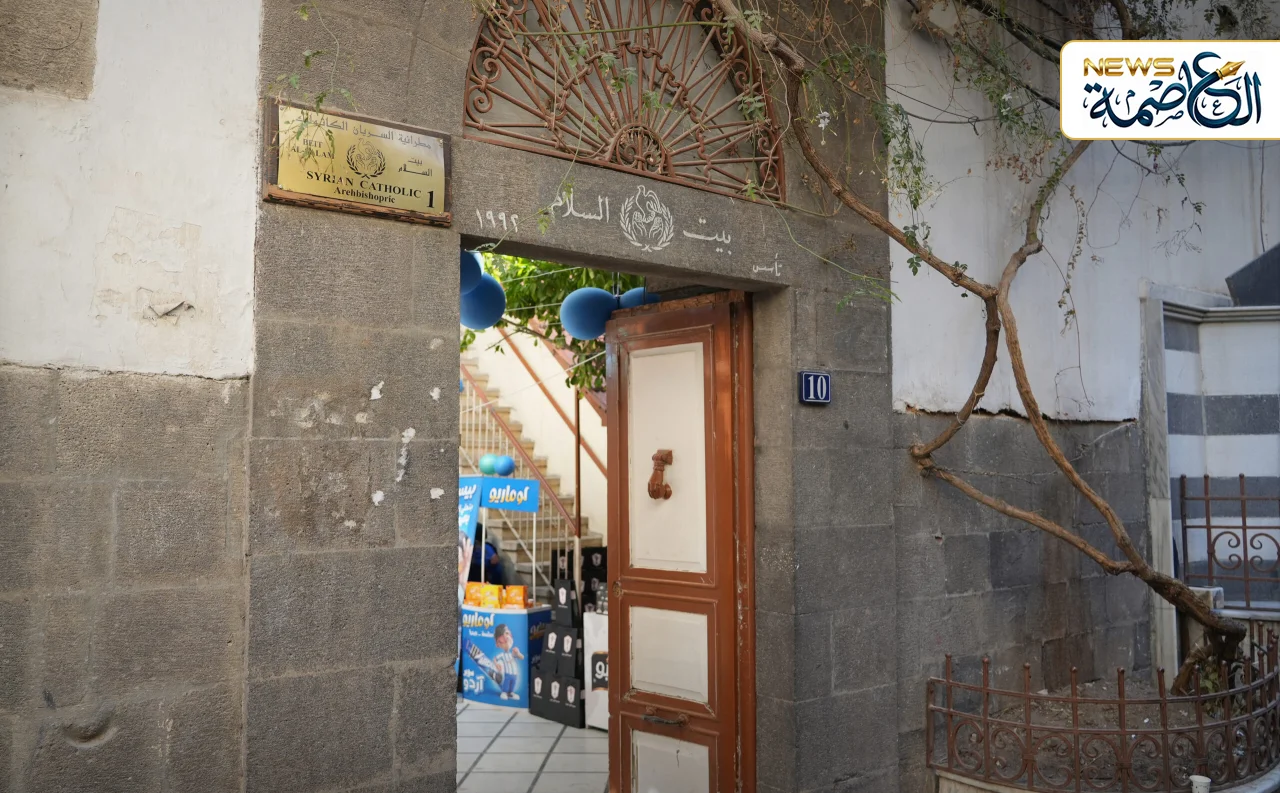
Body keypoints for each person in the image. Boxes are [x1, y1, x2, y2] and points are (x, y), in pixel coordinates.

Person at [492, 624, 524, 700]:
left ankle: (511, 693)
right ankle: (504, 692)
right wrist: (496, 665)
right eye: (502, 640)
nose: (507, 639)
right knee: (506, 683)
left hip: (515, 674)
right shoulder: (502, 655)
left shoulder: (513, 653)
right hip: (508, 674)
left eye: (508, 634)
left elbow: (522, 657)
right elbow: (495, 659)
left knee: (513, 683)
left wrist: (518, 653)